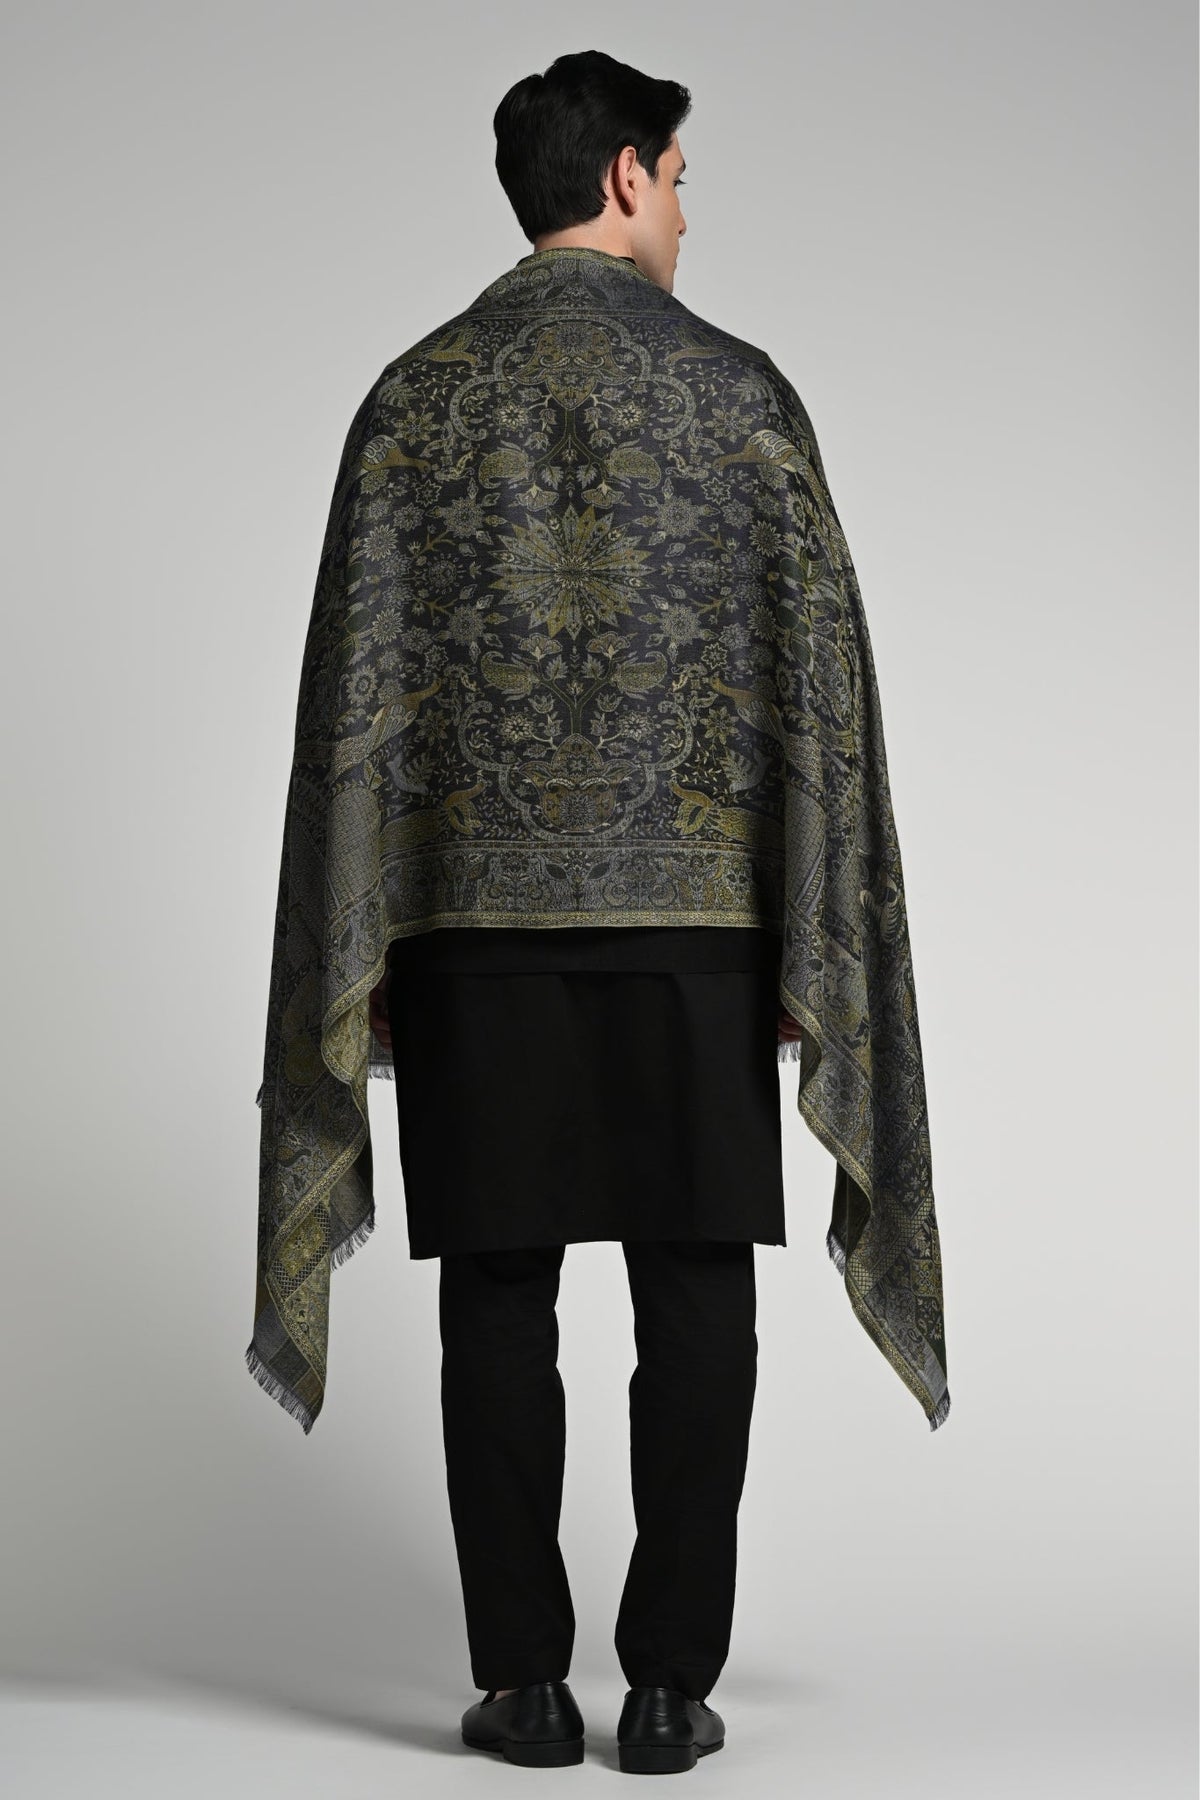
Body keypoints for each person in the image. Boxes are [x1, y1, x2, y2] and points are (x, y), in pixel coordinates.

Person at [248, 46, 948, 1778]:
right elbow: (820, 697)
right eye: (683, 178)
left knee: (499, 1292)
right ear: (626, 174)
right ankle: (670, 1687)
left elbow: (357, 705)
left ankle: (521, 1685)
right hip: (699, 932)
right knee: (697, 1287)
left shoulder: (413, 403)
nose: (687, 213)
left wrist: (372, 938)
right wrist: (801, 934)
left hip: (465, 935)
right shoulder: (742, 398)